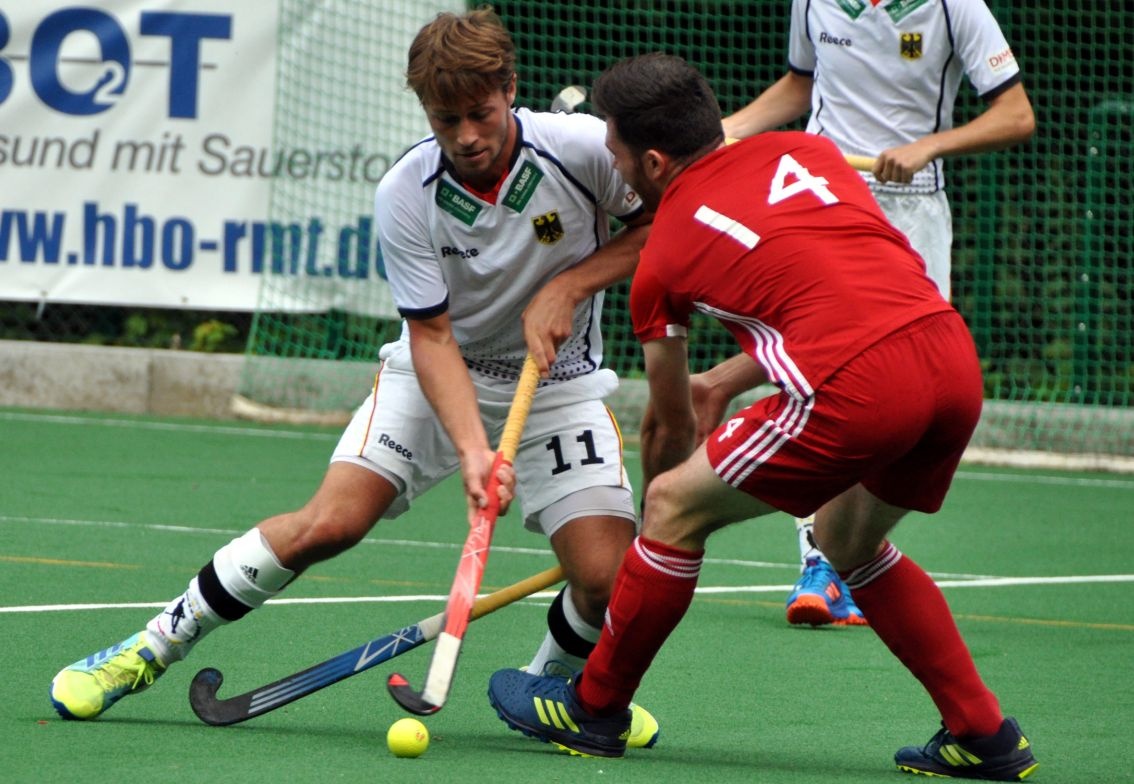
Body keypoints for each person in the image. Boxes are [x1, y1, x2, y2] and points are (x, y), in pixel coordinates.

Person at [48, 8, 660, 748]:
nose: (466, 135)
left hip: (557, 385)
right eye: (445, 119)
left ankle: (559, 692)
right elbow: (430, 334)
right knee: (330, 523)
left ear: (510, 89)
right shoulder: (407, 192)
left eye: (480, 112)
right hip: (437, 377)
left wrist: (570, 285)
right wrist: (473, 450)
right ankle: (151, 646)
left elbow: (665, 221)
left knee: (606, 577)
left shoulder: (582, 151)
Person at [487, 53, 1039, 781]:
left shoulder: (664, 259)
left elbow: (667, 428)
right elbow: (850, 285)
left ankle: (594, 709)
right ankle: (984, 733)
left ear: (652, 162)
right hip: (945, 358)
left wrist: (658, 528)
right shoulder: (808, 151)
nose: (610, 163)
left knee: (676, 504)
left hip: (856, 387)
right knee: (850, 543)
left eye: (614, 150)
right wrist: (732, 378)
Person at [719, 0, 1035, 626]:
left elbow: (1016, 114)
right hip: (820, 197)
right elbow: (800, 85)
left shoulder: (955, 8)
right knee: (820, 384)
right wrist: (725, 131)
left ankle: (847, 554)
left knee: (900, 397)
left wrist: (929, 146)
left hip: (911, 210)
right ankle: (820, 564)